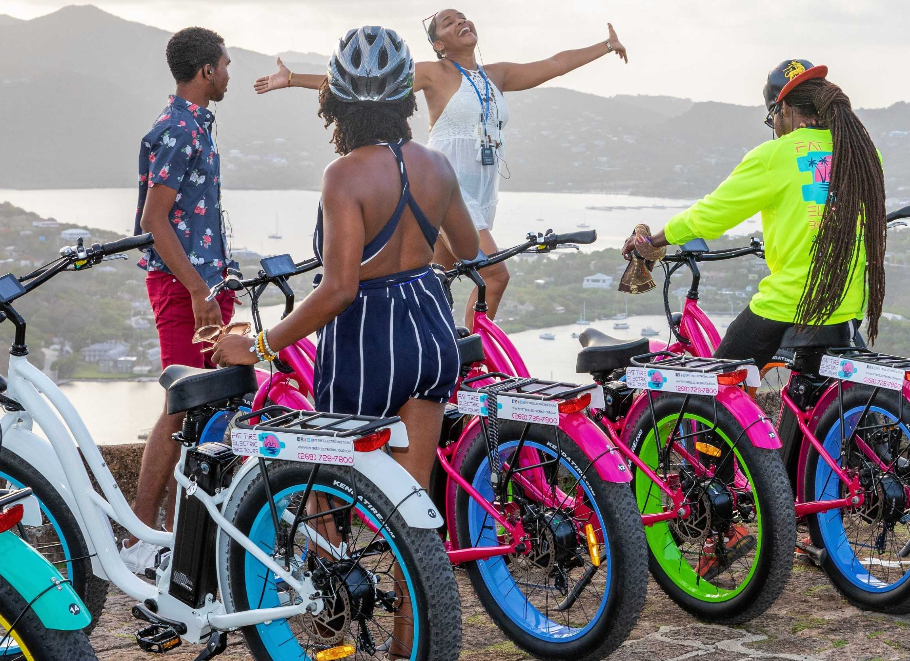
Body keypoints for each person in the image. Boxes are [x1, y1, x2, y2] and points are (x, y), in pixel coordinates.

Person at [212, 26, 479, 657]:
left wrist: (261, 344)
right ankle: (405, 645)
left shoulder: (343, 176)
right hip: (431, 324)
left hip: (367, 340)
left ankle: (327, 622)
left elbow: (337, 290)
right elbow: (465, 251)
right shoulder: (437, 165)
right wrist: (413, 263)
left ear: (336, 100)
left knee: (322, 491)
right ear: (401, 100)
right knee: (409, 517)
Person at [621, 60, 886, 575]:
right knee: (808, 406)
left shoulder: (777, 155)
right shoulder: (859, 150)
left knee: (715, 390)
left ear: (783, 109)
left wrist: (652, 243)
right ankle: (804, 519)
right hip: (846, 298)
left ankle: (726, 521)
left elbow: (711, 215)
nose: (774, 127)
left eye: (773, 118)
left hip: (790, 299)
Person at [254, 9, 627, 328]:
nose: (461, 22)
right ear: (439, 44)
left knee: (432, 280)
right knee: (493, 276)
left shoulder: (496, 75)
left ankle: (420, 346)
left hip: (481, 193)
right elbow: (363, 83)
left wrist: (606, 46)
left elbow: (554, 65)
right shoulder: (433, 73)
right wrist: (292, 80)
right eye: (449, 23)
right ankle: (470, 365)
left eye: (462, 17)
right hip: (446, 188)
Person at [121, 27, 237, 574]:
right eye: (225, 65)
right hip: (183, 288)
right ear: (206, 71)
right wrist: (197, 290)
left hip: (207, 286)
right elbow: (153, 219)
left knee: (205, 409)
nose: (229, 73)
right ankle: (141, 536)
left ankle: (176, 536)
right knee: (182, 405)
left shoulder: (197, 125)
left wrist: (216, 285)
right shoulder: (175, 129)